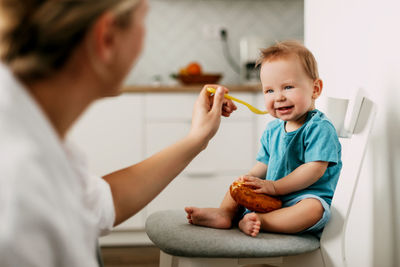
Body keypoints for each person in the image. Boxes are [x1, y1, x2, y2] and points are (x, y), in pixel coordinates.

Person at [0, 0, 237, 266]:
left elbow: (94, 204)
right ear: (107, 38)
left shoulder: (31, 133)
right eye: (142, 22)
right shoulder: (19, 178)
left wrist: (197, 139)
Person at [185, 41, 342, 238]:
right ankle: (225, 213)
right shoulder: (273, 129)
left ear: (315, 89)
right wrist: (250, 179)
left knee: (314, 209)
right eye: (269, 90)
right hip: (272, 198)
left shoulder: (319, 127)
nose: (278, 97)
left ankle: (261, 221)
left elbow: (314, 169)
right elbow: (263, 164)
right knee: (241, 183)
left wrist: (275, 187)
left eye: (288, 87)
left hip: (302, 199)